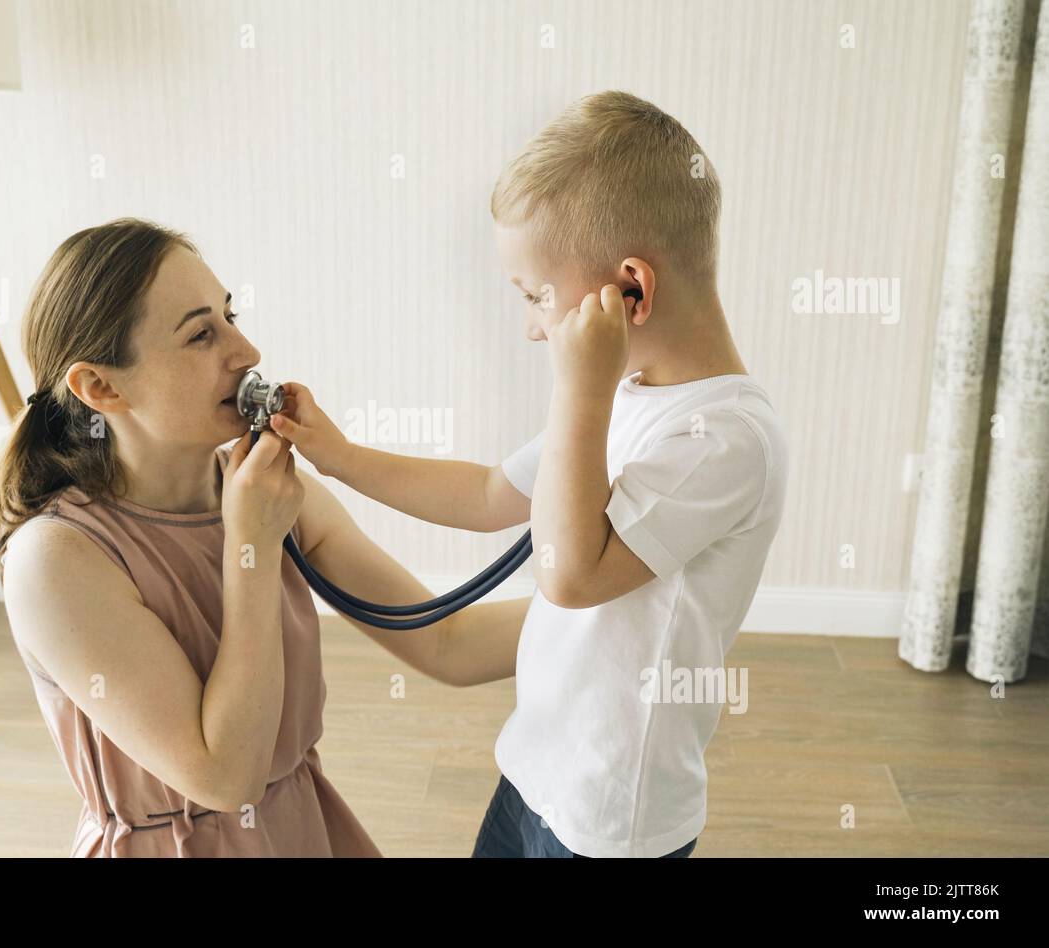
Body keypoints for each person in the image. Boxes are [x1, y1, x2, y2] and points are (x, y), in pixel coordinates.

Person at [269, 90, 789, 858]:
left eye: (536, 298)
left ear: (631, 290)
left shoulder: (726, 439)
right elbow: (488, 495)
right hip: (538, 769)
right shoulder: (626, 397)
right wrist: (339, 457)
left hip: (611, 817)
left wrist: (579, 388)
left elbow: (570, 574)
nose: (531, 327)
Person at [0, 218, 529, 856]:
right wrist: (251, 551)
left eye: (230, 316)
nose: (246, 353)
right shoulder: (56, 560)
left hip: (300, 827)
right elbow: (226, 776)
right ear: (101, 387)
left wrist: (620, 602)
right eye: (201, 335)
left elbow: (445, 642)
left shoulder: (266, 498)